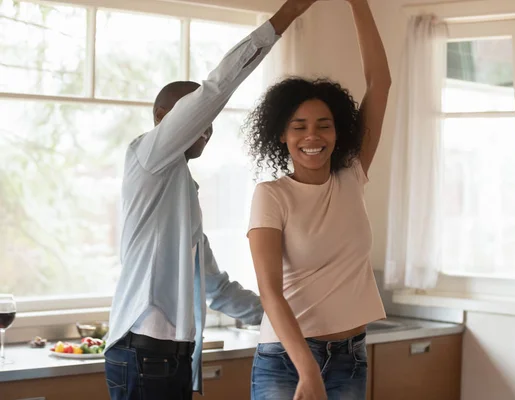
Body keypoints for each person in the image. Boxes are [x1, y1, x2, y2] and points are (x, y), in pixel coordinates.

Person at [103, 1, 322, 399]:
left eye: (210, 127)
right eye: (197, 121)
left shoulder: (181, 194)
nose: (206, 132)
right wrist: (284, 18)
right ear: (162, 120)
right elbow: (216, 89)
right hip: (141, 353)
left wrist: (287, 318)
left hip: (172, 358)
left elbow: (215, 287)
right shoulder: (147, 156)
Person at [244, 0, 392, 399]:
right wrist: (307, 371)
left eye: (323, 126)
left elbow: (381, 82)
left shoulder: (351, 175)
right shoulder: (271, 196)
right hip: (287, 359)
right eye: (300, 127)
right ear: (282, 135)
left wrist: (357, 3)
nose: (313, 137)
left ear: (338, 131)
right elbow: (270, 291)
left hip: (350, 358)